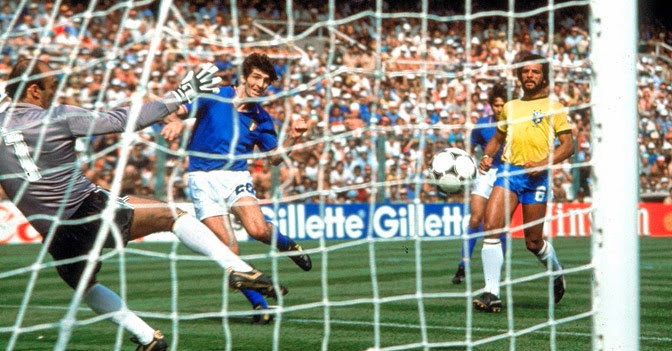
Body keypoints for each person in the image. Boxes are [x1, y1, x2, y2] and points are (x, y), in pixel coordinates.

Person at [0, 59, 286, 350]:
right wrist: (179, 95)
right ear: (34, 91)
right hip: (87, 208)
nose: (54, 93)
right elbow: (122, 120)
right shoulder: (59, 117)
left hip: (55, 234)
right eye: (51, 86)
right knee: (171, 214)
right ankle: (236, 267)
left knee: (84, 287)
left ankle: (148, 338)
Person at [161, 52, 312, 324]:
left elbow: (275, 158)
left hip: (235, 177)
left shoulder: (261, 117)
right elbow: (178, 110)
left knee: (257, 230)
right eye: (256, 77)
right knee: (228, 249)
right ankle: (260, 306)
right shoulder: (215, 95)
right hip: (202, 179)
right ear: (244, 77)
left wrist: (293, 137)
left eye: (266, 80)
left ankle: (287, 245)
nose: (260, 84)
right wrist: (172, 122)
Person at [472, 54, 574, 313]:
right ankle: (492, 293)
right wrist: (487, 155)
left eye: (535, 72)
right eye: (525, 71)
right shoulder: (510, 107)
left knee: (533, 242)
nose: (529, 75)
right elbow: (497, 138)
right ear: (519, 75)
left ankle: (555, 270)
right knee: (491, 226)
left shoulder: (555, 107)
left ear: (544, 77)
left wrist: (543, 163)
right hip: (508, 172)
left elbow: (568, 146)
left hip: (536, 178)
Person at [451, 82, 509, 284]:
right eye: (496, 105)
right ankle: (463, 264)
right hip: (485, 173)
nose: (499, 109)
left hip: (505, 173)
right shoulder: (482, 124)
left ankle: (498, 272)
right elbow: (470, 146)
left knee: (497, 225)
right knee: (476, 218)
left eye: (502, 105)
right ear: (491, 105)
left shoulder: (514, 124)